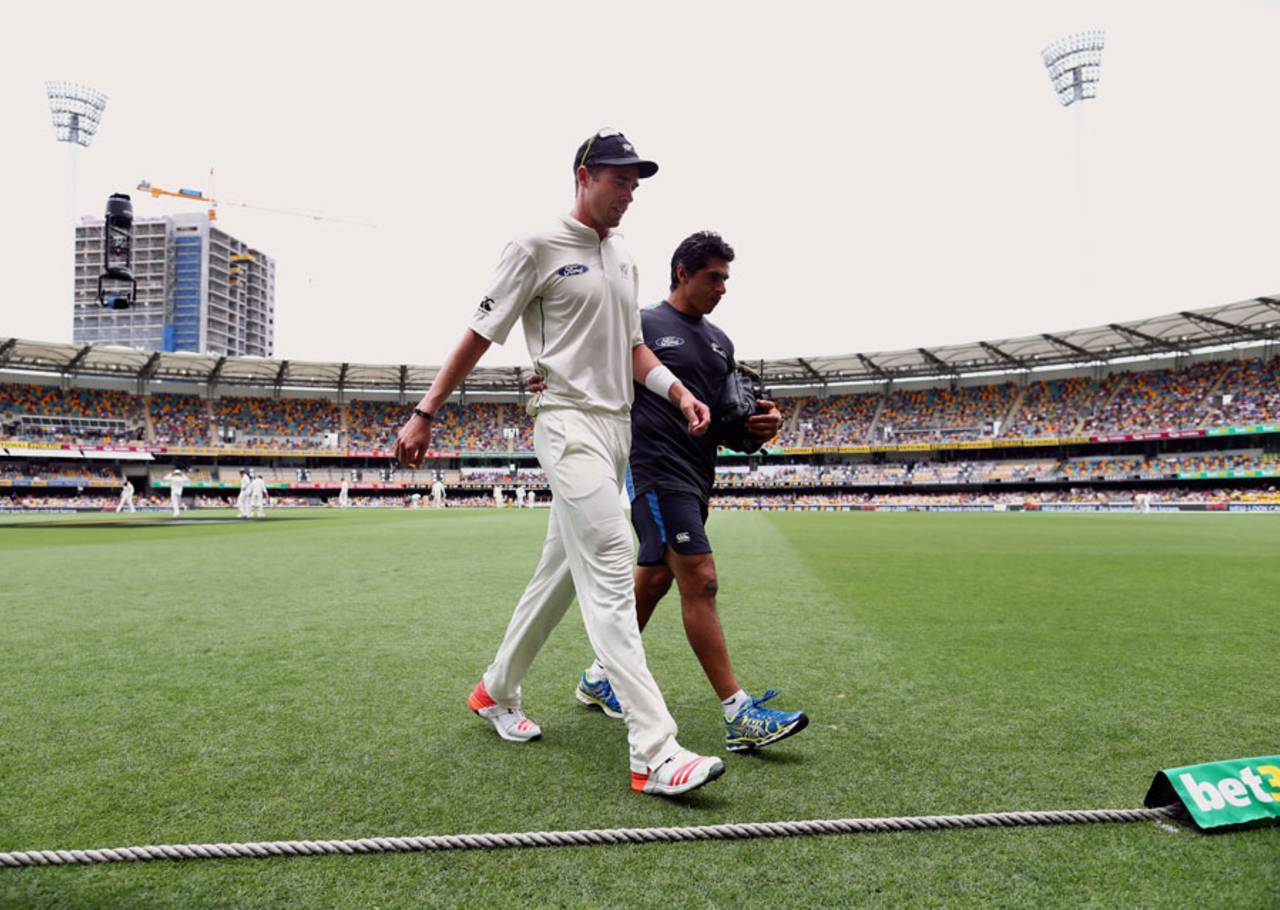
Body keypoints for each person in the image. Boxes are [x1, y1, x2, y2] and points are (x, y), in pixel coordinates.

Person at [394, 128, 724, 797]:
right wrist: (426, 411)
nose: (628, 194)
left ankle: (495, 690)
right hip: (566, 423)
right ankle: (654, 750)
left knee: (561, 576)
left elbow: (634, 347)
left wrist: (678, 389)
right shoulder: (535, 244)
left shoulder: (624, 255)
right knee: (609, 566)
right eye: (618, 180)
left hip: (616, 430)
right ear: (583, 175)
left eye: (635, 183)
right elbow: (481, 330)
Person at [557, 232, 808, 752]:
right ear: (681, 273)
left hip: (697, 476)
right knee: (701, 578)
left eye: (725, 279)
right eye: (713, 277)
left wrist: (761, 428)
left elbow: (727, 426)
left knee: (652, 583)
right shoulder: (643, 325)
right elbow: (596, 375)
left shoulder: (720, 344)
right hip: (654, 471)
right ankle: (738, 714)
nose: (722, 288)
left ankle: (600, 677)